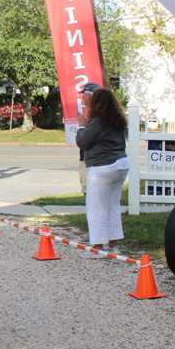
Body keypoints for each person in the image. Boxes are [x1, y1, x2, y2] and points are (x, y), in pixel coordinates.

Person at [75, 88, 129, 256]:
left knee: (96, 206)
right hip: (120, 163)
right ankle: (113, 242)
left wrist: (82, 127)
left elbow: (83, 142)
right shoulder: (118, 119)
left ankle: (98, 246)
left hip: (102, 167)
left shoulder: (97, 121)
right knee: (112, 205)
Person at [76, 82, 100, 243]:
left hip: (92, 162)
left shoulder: (97, 116)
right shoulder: (98, 114)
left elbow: (85, 141)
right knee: (92, 197)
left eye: (84, 95)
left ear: (90, 96)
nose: (82, 98)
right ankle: (97, 232)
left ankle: (97, 235)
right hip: (89, 160)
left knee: (92, 197)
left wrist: (82, 127)